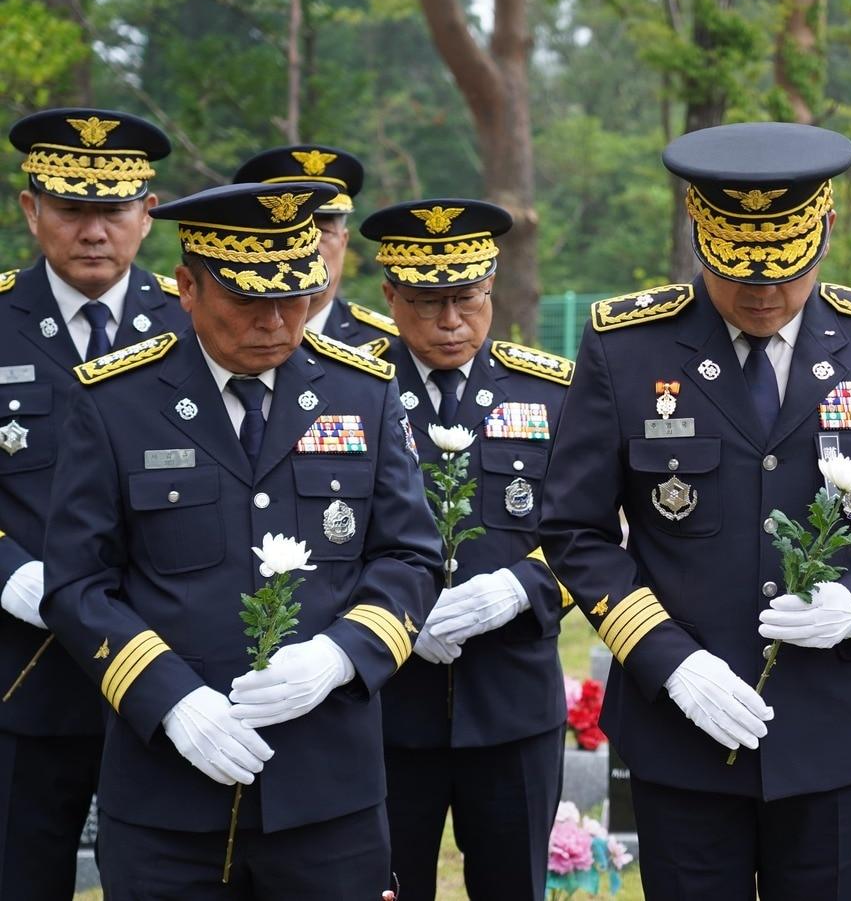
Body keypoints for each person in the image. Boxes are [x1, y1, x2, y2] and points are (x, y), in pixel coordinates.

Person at [538, 121, 851, 900]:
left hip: (833, 733)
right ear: (698, 237)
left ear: (826, 231)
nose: (764, 292)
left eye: (786, 270)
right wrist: (671, 660)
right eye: (738, 270)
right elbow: (575, 529)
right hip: (684, 735)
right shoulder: (627, 348)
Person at [41, 181, 440, 898]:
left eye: (295, 297)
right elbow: (76, 584)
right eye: (250, 300)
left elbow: (411, 557)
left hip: (328, 794)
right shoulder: (114, 401)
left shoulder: (363, 391)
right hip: (168, 794)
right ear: (188, 286)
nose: (278, 320)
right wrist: (168, 699)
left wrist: (340, 655)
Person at [0, 106, 188, 898]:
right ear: (30, 208)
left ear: (146, 214)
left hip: (163, 674)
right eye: (71, 208)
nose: (92, 230)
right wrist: (6, 572)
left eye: (112, 210)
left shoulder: (193, 323)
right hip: (21, 670)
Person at [362, 198, 572, 900]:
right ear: (390, 294)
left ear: (493, 288)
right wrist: (393, 618)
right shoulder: (346, 389)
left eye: (468, 298)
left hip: (511, 701)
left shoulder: (551, 392)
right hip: (386, 705)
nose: (451, 321)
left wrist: (520, 586)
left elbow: (589, 531)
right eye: (427, 302)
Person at [234, 143, 396, 355]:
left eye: (322, 230)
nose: (308, 244)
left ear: (344, 242)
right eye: (290, 232)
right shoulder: (225, 333)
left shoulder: (389, 348)